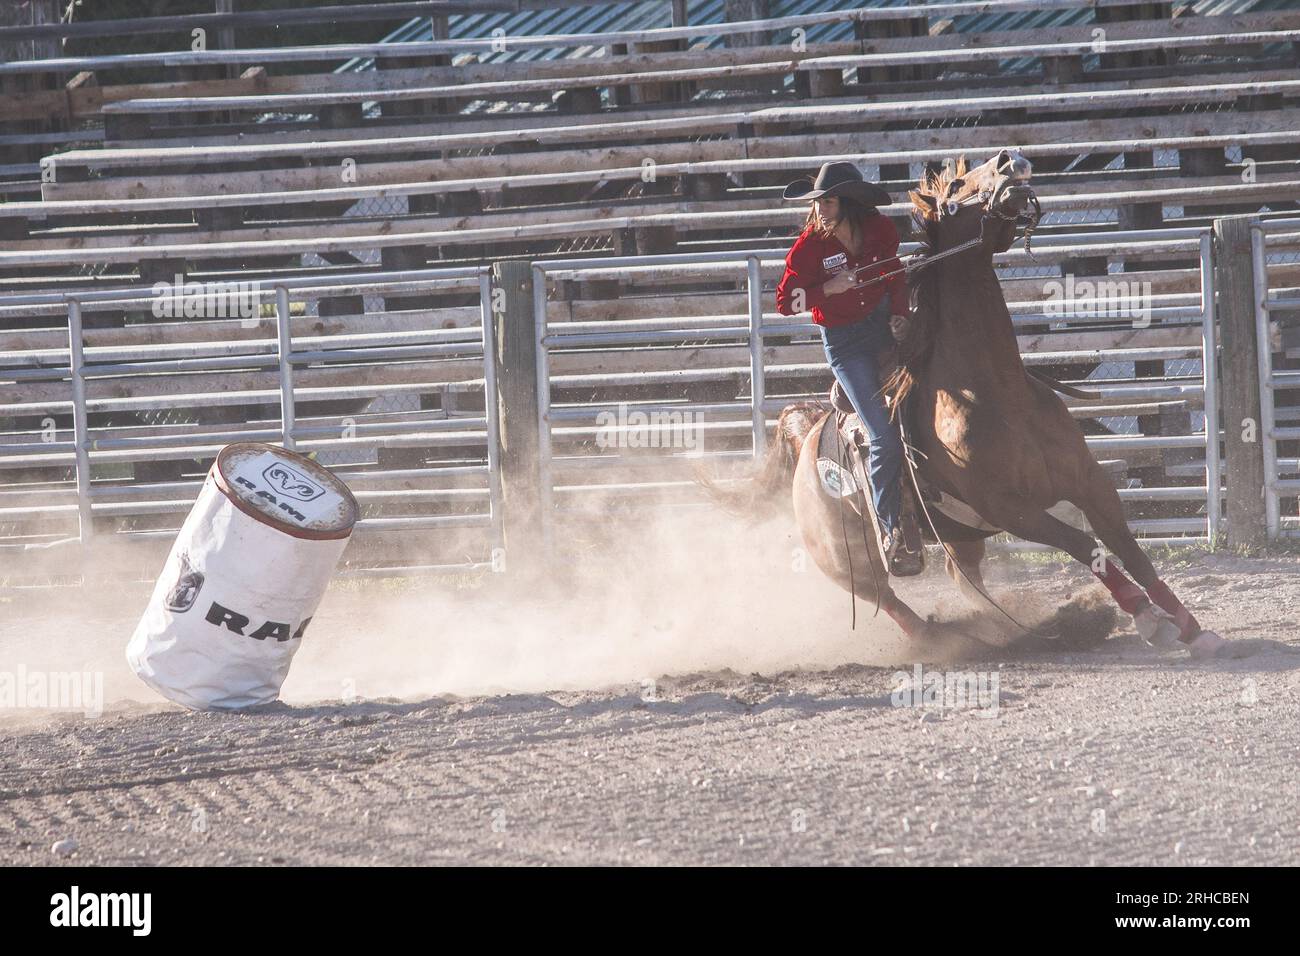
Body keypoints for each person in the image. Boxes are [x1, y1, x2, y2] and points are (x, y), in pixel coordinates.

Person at [774, 161, 923, 576]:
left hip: (883, 330)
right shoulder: (807, 248)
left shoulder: (880, 232)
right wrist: (826, 289)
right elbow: (786, 304)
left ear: (849, 203)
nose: (821, 208)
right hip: (846, 346)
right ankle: (890, 528)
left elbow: (895, 277)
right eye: (818, 201)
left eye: (829, 200)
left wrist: (900, 314)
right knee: (883, 436)